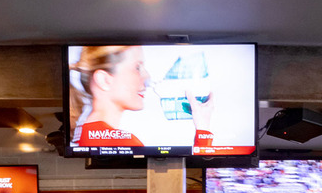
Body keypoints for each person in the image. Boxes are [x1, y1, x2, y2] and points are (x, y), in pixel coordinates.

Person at [70, 45, 214, 148]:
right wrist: (203, 128)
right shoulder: (124, 143)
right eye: (137, 67)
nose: (147, 77)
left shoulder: (84, 134)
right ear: (104, 80)